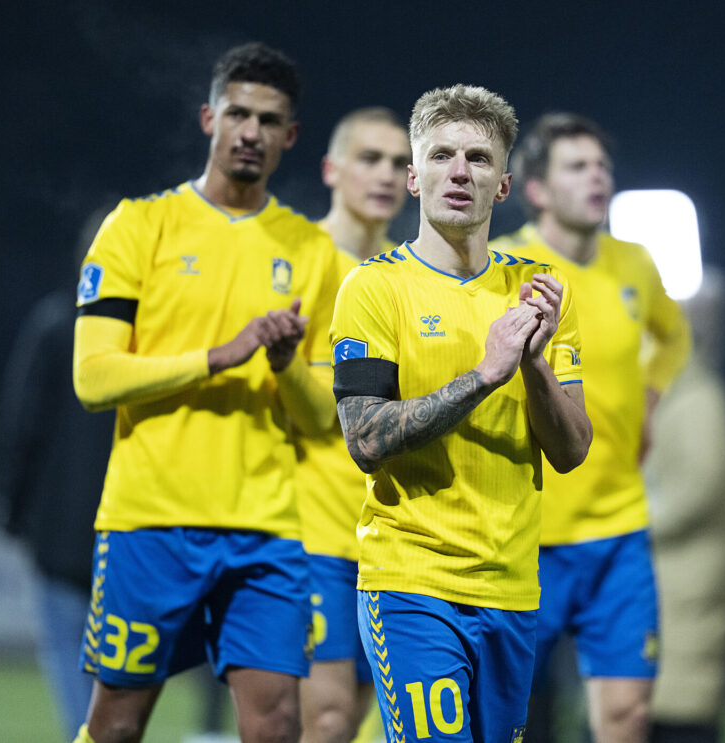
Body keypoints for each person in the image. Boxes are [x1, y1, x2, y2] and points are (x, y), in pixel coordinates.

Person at [70, 42, 341, 743]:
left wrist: (284, 366)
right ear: (208, 119)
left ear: (291, 136)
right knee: (118, 724)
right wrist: (218, 358)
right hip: (149, 520)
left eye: (269, 119)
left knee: (278, 722)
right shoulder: (138, 226)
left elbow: (320, 421)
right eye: (238, 113)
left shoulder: (314, 253)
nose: (251, 131)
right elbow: (93, 376)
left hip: (268, 529)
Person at [328, 85, 593, 743]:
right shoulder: (374, 289)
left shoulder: (540, 294)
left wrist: (533, 361)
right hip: (412, 581)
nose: (459, 171)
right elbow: (364, 437)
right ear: (414, 177)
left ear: (502, 185)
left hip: (511, 589)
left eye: (478, 158)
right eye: (442, 155)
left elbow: (572, 448)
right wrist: (484, 375)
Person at [491, 112, 691, 743]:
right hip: (530, 536)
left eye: (602, 165)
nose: (597, 176)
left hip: (619, 530)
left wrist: (651, 396)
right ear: (539, 191)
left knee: (628, 716)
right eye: (576, 166)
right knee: (509, 718)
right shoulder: (507, 267)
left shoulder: (635, 264)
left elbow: (675, 336)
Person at [297, 107, 411, 743]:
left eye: (399, 163)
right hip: (311, 532)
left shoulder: (406, 276)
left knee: (357, 718)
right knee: (329, 718)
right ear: (331, 169)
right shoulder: (297, 262)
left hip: (390, 538)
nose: (386, 175)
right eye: (369, 159)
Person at [0, 208, 114, 739]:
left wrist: (13, 508)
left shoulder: (55, 325)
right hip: (127, 535)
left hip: (59, 537)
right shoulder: (154, 341)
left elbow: (23, 427)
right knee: (114, 674)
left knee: (69, 662)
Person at [644, 267, 725, 743]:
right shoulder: (678, 394)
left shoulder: (699, 399)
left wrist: (625, 516)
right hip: (668, 596)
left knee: (678, 723)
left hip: (682, 603)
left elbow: (696, 491)